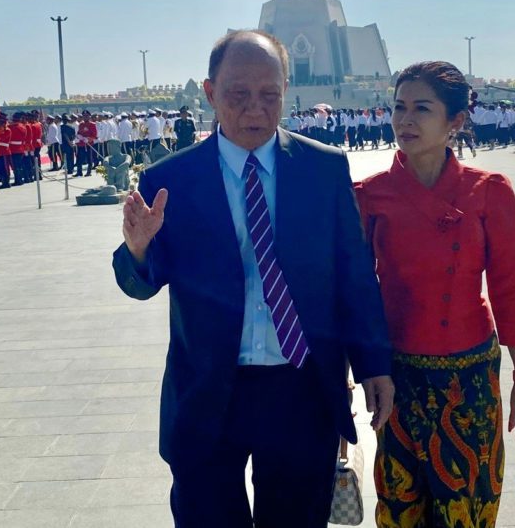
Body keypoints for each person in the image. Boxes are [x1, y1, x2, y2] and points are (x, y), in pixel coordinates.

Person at [112, 30, 393, 528]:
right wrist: (138, 250)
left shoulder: (322, 170)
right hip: (207, 393)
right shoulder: (170, 181)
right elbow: (141, 281)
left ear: (287, 92)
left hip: (300, 391)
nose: (255, 110)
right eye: (238, 95)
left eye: (270, 96)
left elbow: (354, 276)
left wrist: (373, 363)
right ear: (209, 93)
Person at [355, 61, 515, 527]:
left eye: (421, 109)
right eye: (398, 107)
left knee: (466, 508)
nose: (405, 120)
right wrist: (347, 375)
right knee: (400, 508)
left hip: (470, 376)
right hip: (397, 377)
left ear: (455, 121)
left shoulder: (489, 192)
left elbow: (510, 288)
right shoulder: (370, 196)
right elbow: (354, 293)